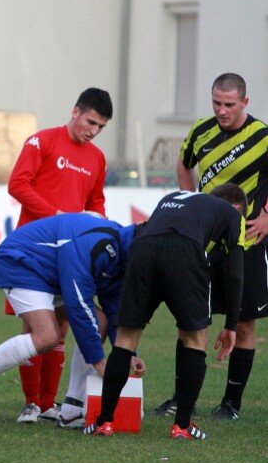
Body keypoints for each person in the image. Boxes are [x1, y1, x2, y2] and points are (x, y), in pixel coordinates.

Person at [85, 185, 246, 439]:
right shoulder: (234, 216)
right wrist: (232, 325)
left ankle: (104, 422)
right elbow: (235, 272)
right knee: (195, 339)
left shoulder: (173, 197)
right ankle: (182, 426)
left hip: (142, 247)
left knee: (125, 339)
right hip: (184, 250)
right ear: (236, 208)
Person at [153, 73, 268, 420]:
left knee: (244, 324)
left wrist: (266, 216)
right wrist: (190, 202)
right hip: (203, 244)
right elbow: (184, 163)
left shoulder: (262, 136)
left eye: (229, 104)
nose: (221, 110)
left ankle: (231, 403)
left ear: (245, 102)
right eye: (216, 102)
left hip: (247, 242)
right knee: (190, 321)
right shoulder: (201, 131)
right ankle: (180, 398)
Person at [0, 213, 145, 422]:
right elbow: (78, 304)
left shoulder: (123, 253)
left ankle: (72, 411)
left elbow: (115, 307)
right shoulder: (99, 245)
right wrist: (98, 361)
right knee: (46, 336)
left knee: (100, 321)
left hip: (51, 273)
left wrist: (126, 354)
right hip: (22, 260)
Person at [1, 87, 112, 427]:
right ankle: (30, 403)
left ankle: (49, 404)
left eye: (101, 127)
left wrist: (98, 225)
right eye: (91, 122)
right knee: (36, 326)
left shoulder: (97, 158)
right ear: (75, 111)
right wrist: (57, 217)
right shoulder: (42, 141)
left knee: (62, 325)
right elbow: (18, 184)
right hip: (35, 250)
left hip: (70, 255)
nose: (94, 131)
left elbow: (95, 202)